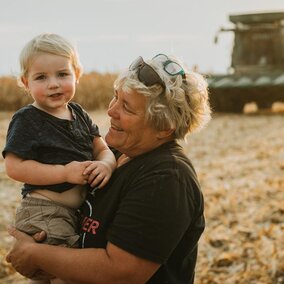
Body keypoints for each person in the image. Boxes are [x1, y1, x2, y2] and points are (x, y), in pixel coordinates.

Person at [7, 53, 211, 283]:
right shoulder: (113, 156)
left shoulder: (166, 178)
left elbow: (120, 273)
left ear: (165, 127)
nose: (111, 111)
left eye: (127, 107)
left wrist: (36, 254)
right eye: (116, 97)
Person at [2, 33, 116, 283]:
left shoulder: (79, 114)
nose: (53, 83)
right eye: (41, 77)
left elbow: (102, 148)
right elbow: (15, 167)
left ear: (77, 74)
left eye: (62, 74)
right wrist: (64, 173)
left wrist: (107, 164)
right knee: (65, 273)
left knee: (51, 274)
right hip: (45, 211)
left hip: (74, 214)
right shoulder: (27, 119)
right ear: (25, 82)